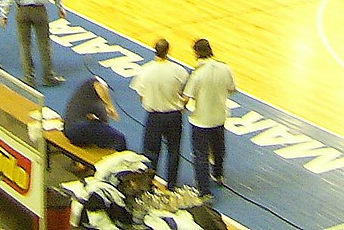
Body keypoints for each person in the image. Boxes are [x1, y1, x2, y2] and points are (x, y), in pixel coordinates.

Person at [183, 37, 236, 197]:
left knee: (201, 155)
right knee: (219, 149)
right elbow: (232, 89)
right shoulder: (224, 68)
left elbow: (186, 97)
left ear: (196, 53)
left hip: (200, 121)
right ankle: (218, 175)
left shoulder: (197, 74)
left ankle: (204, 190)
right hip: (219, 118)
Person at [131, 37, 187, 185]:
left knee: (150, 153)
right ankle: (171, 186)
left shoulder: (146, 70)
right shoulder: (179, 70)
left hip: (154, 116)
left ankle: (148, 183)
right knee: (174, 151)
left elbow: (141, 95)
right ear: (168, 50)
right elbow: (185, 94)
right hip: (174, 116)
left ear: (154, 50)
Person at [63, 75, 127, 149]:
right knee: (120, 138)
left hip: (67, 128)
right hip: (76, 131)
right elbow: (105, 122)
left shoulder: (83, 92)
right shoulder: (97, 104)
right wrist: (109, 106)